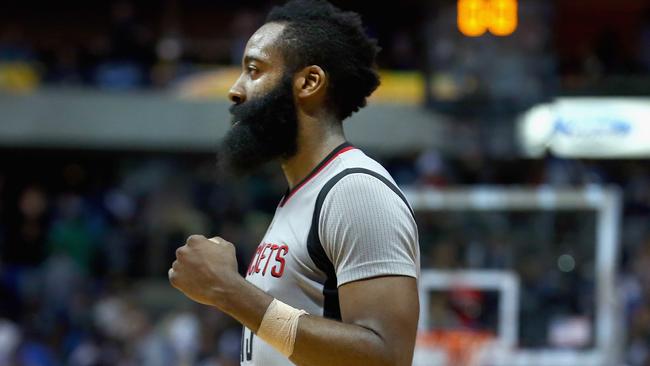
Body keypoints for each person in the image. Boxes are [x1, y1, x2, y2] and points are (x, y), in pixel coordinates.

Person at [168, 1, 420, 365]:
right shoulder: (301, 193)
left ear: (309, 82)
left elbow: (388, 356)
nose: (235, 90)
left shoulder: (355, 191)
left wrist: (230, 291)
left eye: (254, 70)